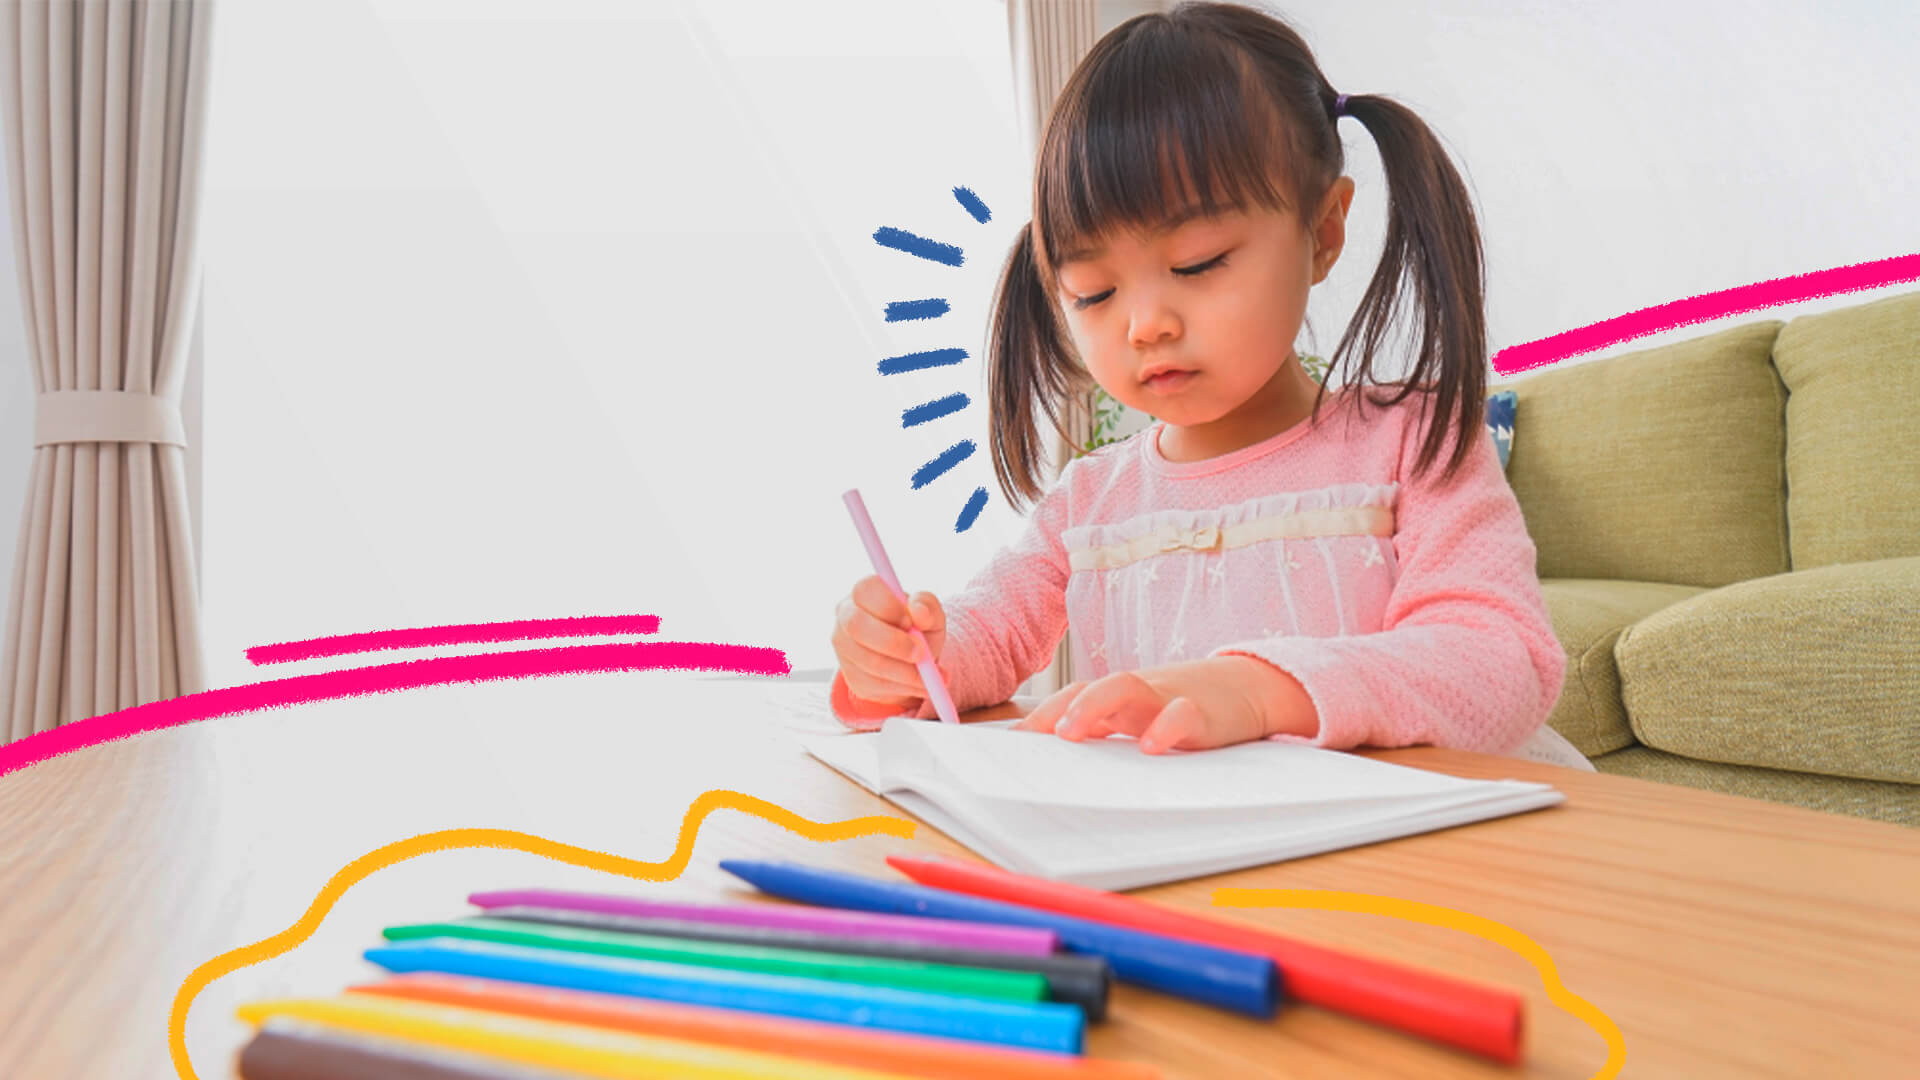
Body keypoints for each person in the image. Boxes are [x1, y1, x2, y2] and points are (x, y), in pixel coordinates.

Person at [830, 1, 1585, 768]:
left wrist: (1259, 692)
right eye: (1094, 292)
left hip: (1413, 859)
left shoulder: (1410, 444)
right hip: (1197, 868)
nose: (1145, 324)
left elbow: (1501, 660)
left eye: (1196, 264)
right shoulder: (1090, 504)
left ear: (1322, 231)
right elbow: (988, 636)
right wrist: (909, 660)